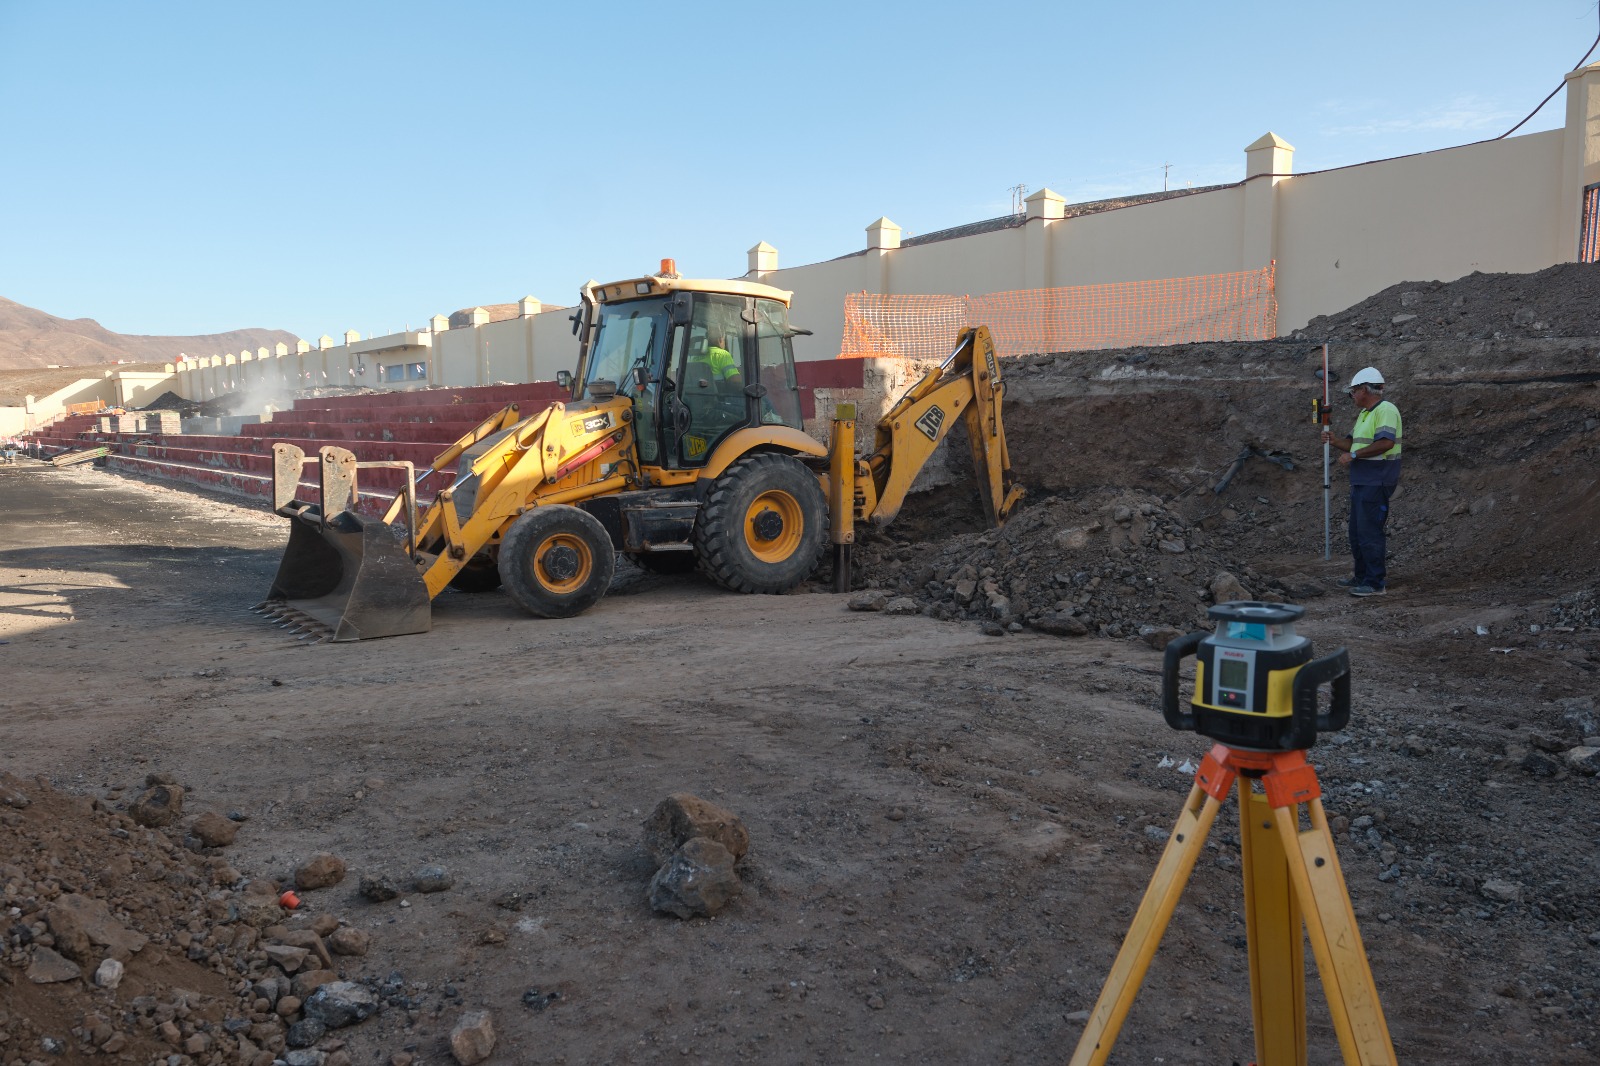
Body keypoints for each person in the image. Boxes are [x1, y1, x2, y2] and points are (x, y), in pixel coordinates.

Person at [1322, 366, 1403, 597]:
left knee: (1369, 532)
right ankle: (1362, 575)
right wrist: (1335, 441)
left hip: (1377, 479)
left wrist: (1355, 455)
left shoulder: (1385, 410)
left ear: (1364, 390)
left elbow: (1386, 443)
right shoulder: (1365, 414)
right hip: (1362, 480)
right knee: (1357, 533)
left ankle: (1375, 582)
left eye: (1353, 391)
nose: (1352, 396)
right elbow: (1352, 443)